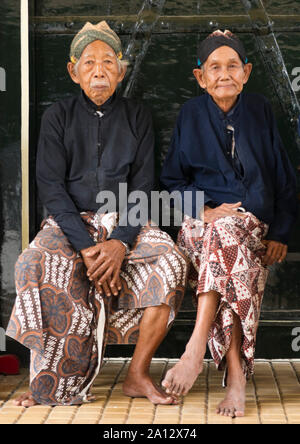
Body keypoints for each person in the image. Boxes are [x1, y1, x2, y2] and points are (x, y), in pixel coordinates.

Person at [6, 21, 188, 407]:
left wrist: (120, 242)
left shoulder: (137, 116)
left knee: (171, 262)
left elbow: (142, 188)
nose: (99, 70)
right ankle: (49, 381)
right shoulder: (58, 116)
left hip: (127, 220)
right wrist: (88, 248)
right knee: (32, 264)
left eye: (108, 62)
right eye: (89, 62)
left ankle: (137, 374)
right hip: (70, 222)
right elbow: (52, 189)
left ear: (121, 71)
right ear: (74, 71)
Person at [160, 29, 298, 417]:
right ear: (200, 76)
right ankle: (235, 377)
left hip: (249, 227)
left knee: (228, 239)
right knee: (218, 239)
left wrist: (282, 232)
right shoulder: (190, 114)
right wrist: (203, 211)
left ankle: (196, 345)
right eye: (214, 68)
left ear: (247, 72)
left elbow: (285, 180)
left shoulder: (260, 110)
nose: (224, 74)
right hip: (201, 230)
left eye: (232, 66)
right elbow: (171, 182)